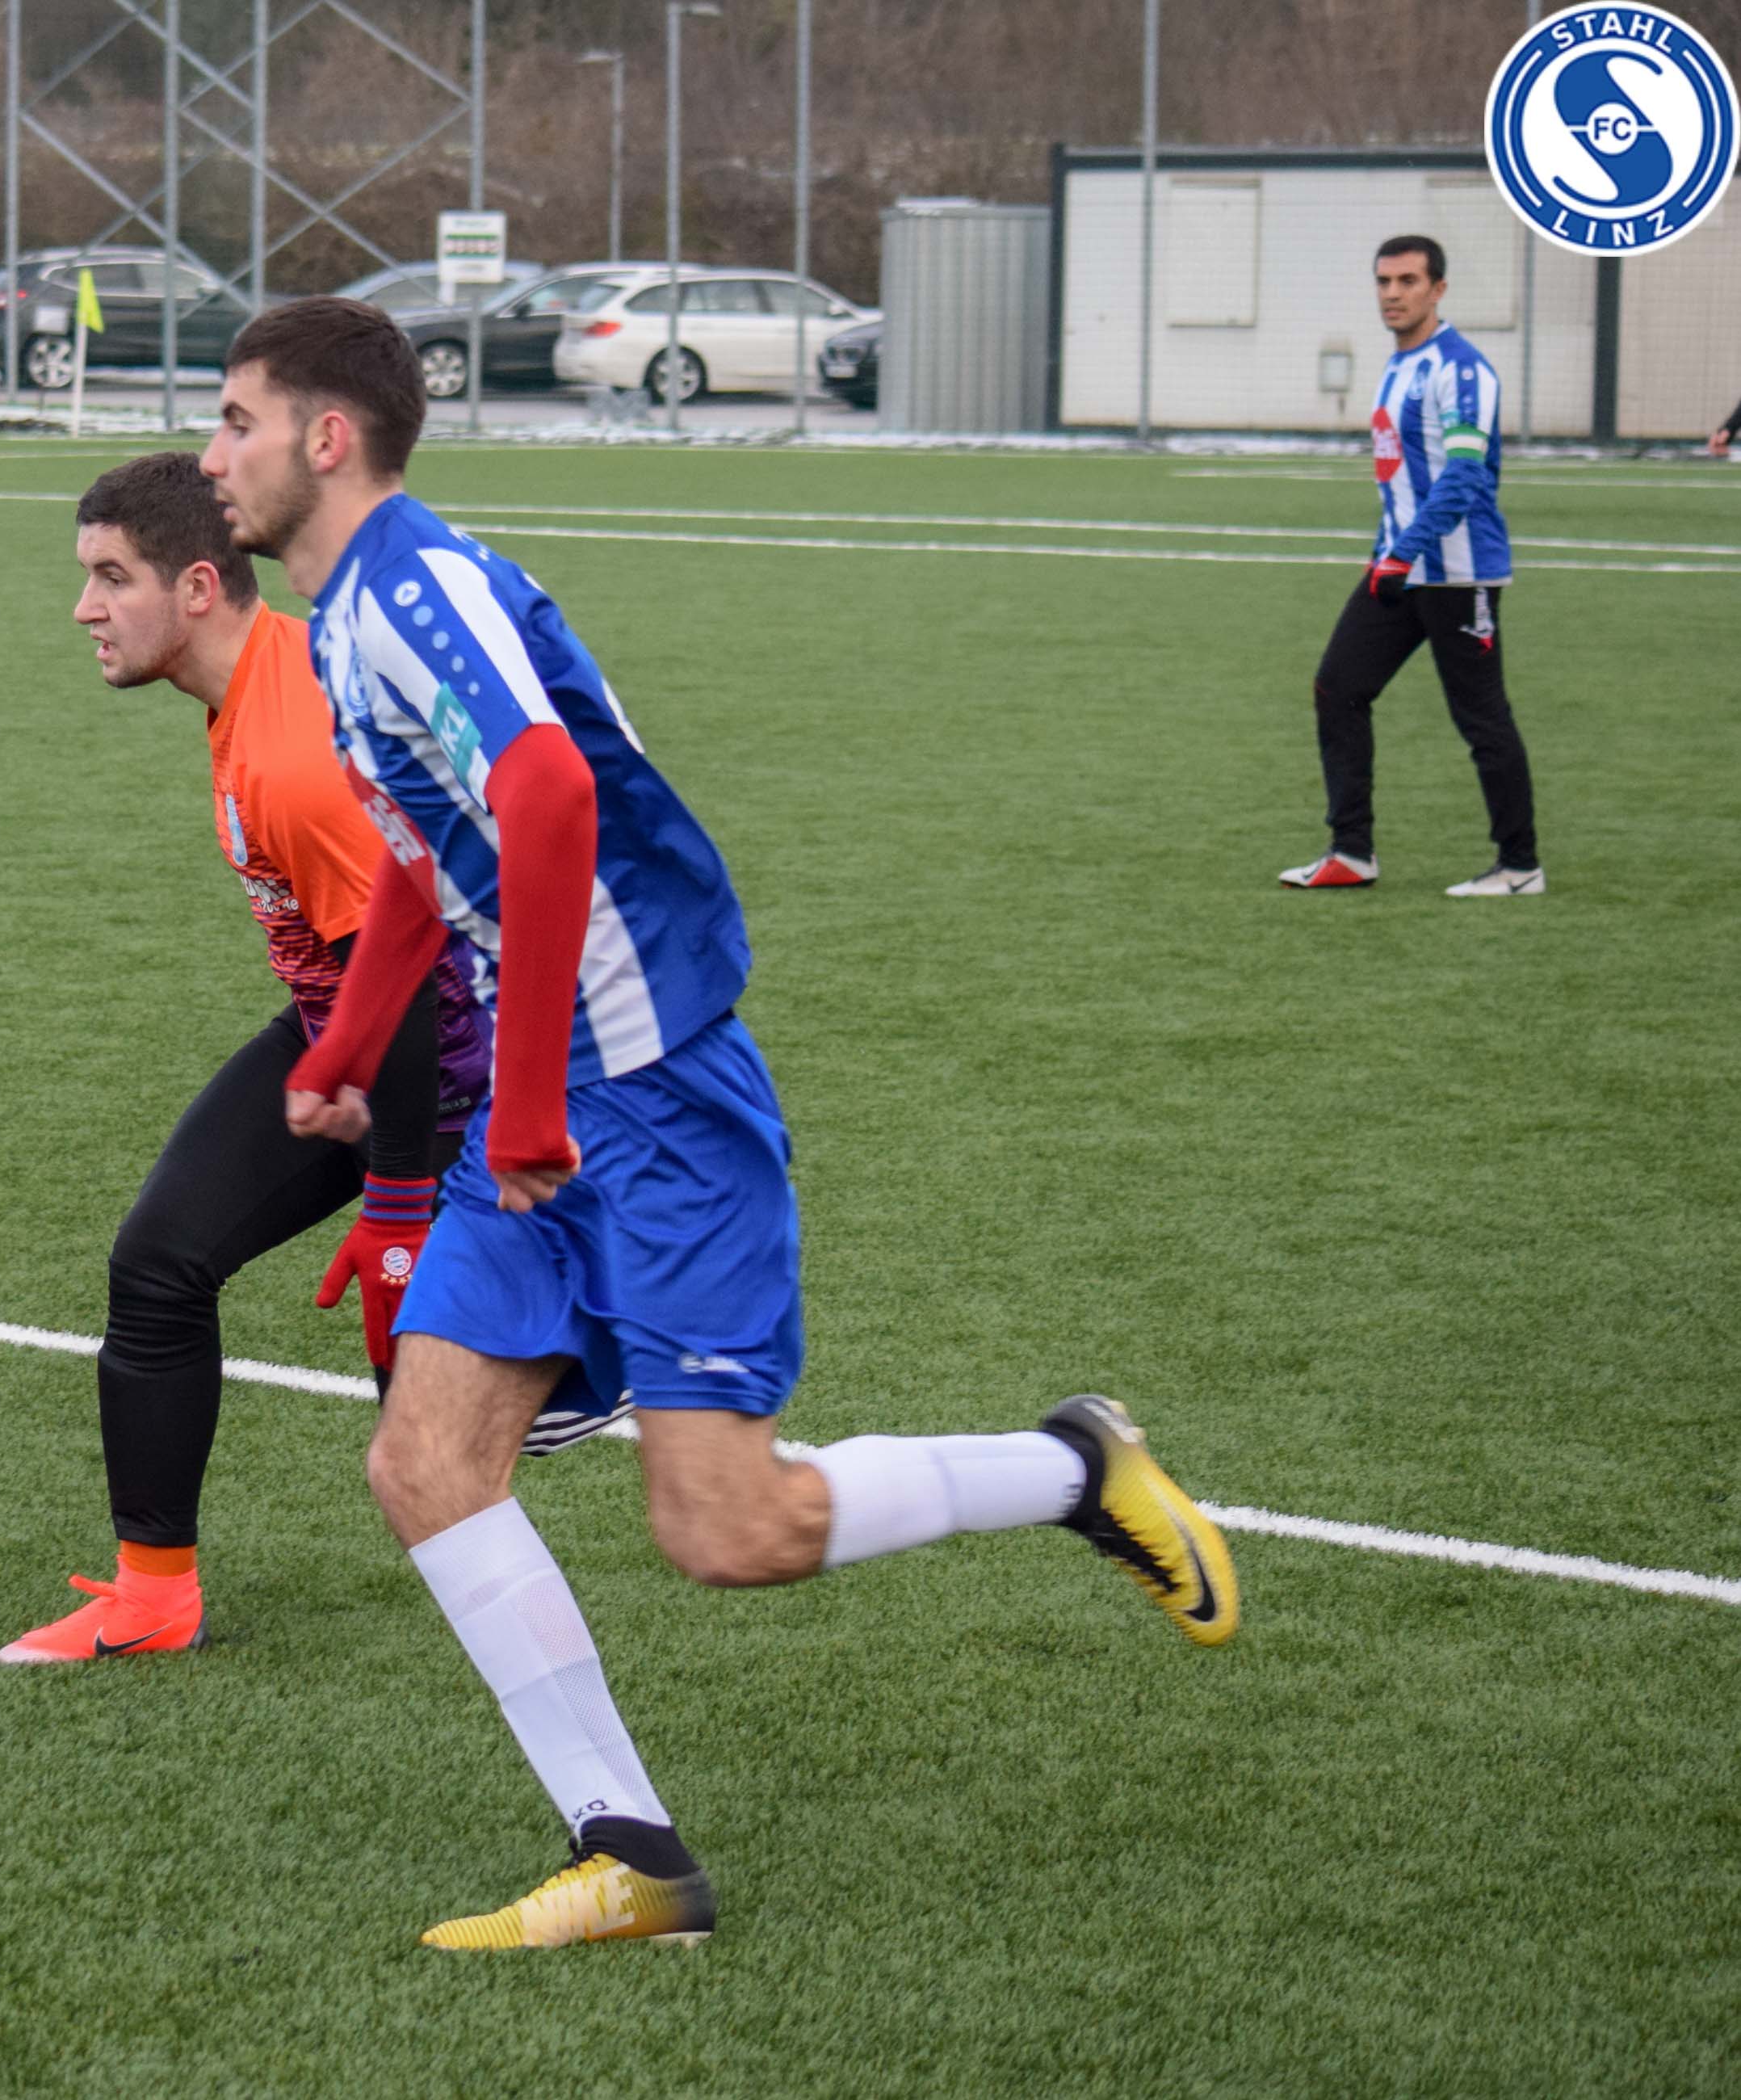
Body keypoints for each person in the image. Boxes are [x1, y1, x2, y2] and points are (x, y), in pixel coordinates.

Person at [199, 297, 1239, 1953]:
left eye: (237, 419)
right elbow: (423, 854)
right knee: (423, 1460)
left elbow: (546, 793)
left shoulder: (413, 589)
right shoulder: (341, 623)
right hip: (551, 1104)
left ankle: (1072, 1468)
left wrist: (520, 1095)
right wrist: (350, 1040)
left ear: (327, 438)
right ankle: (631, 1855)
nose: (213, 454)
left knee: (728, 1530)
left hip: (652, 1092)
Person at [2, 454, 590, 1667]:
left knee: (438, 1437)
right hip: (343, 1036)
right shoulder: (254, 687)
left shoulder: (289, 748)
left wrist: (400, 1206)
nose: (83, 608)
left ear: (198, 586)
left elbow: (417, 973)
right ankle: (153, 1596)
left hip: (449, 1068)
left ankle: (597, 1362)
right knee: (160, 1265)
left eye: (112, 578)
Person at [1281, 236, 1541, 897]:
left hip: (1458, 574)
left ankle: (1519, 867)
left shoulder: (1463, 369)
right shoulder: (1398, 368)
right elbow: (1397, 478)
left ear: (1438, 289)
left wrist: (1402, 551)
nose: (1393, 294)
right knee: (1337, 688)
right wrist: (1384, 551)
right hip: (1398, 568)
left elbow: (1464, 477)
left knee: (1481, 718)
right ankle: (1352, 852)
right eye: (1384, 281)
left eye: (1408, 281)